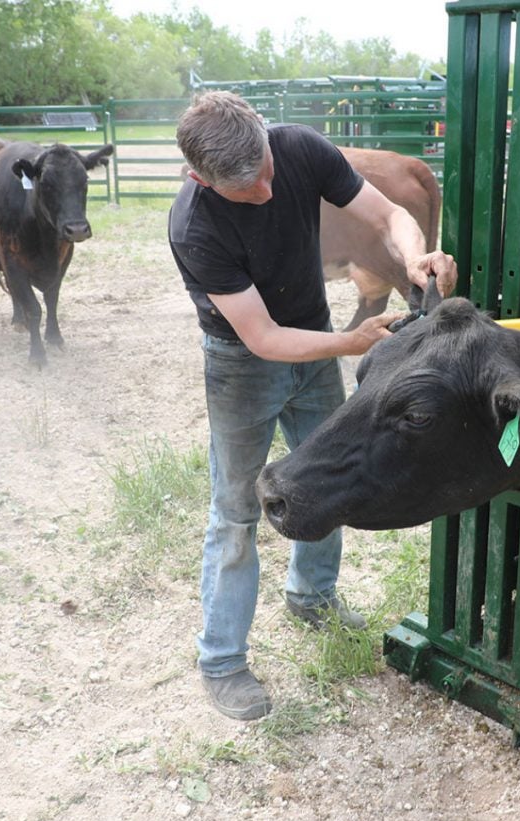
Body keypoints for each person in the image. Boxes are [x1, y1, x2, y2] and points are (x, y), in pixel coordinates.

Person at [168, 91, 457, 721]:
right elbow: (264, 339)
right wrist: (351, 342)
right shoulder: (195, 225)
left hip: (313, 338)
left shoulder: (296, 147)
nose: (268, 191)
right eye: (247, 189)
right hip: (243, 367)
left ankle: (313, 596)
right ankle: (221, 660)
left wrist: (416, 256)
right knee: (237, 510)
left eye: (267, 170)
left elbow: (385, 216)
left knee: (329, 473)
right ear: (200, 178)